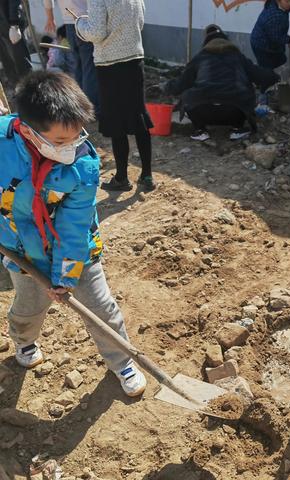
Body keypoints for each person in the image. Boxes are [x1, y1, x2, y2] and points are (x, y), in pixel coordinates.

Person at [0, 71, 146, 397]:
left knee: (99, 306)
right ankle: (24, 342)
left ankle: (121, 360)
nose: (73, 146)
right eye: (62, 141)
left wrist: (65, 276)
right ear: (28, 131)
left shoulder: (83, 166)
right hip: (19, 249)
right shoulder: (3, 144)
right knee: (30, 305)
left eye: (79, 134)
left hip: (76, 248)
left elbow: (74, 225)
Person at [75, 0, 155, 192]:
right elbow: (140, 23)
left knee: (116, 121)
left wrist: (79, 24)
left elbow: (96, 33)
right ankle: (147, 175)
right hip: (135, 59)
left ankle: (121, 177)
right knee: (138, 116)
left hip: (110, 65)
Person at [166, 24, 279, 142]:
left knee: (188, 95)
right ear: (226, 40)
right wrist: (275, 77)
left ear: (206, 43)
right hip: (234, 111)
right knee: (247, 91)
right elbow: (260, 75)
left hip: (203, 111)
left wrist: (167, 86)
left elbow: (181, 84)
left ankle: (200, 130)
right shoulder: (238, 57)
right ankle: (237, 128)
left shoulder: (200, 58)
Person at [43, 0, 99, 114]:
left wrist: (50, 17)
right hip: (84, 19)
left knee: (78, 67)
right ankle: (92, 108)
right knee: (88, 67)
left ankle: (80, 106)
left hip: (69, 22)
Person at [250, 0, 290, 110]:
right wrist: (289, 39)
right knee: (267, 73)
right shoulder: (274, 15)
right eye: (287, 1)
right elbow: (276, 38)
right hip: (262, 45)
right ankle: (262, 102)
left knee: (281, 59)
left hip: (267, 44)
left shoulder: (278, 6)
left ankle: (260, 73)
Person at [0, 0, 32, 86]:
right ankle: (16, 91)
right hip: (2, 28)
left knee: (21, 63)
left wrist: (14, 24)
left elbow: (14, 2)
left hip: (9, 24)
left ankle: (29, 89)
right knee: (8, 64)